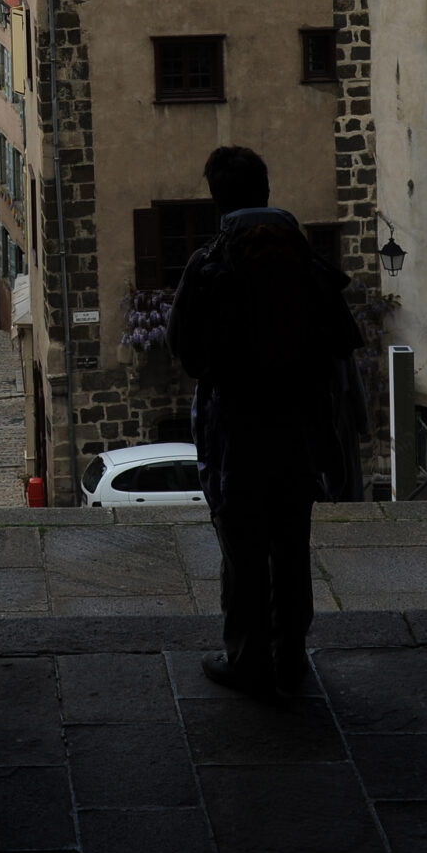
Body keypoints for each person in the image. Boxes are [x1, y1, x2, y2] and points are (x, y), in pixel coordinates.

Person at [167, 144, 361, 700]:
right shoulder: (307, 262)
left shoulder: (210, 264)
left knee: (244, 549)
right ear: (267, 191)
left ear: (216, 199)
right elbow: (341, 342)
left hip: (237, 432)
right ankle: (291, 653)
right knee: (291, 543)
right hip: (297, 427)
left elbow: (185, 347)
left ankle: (247, 658)